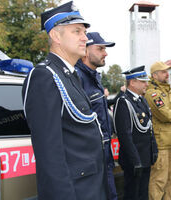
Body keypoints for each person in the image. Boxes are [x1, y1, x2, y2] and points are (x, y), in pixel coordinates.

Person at [22, 2, 107, 199]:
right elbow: (49, 155)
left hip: (89, 186)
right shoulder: (44, 76)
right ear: (55, 36)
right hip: (73, 191)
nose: (84, 37)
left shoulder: (70, 75)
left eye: (84, 32)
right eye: (77, 31)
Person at [75, 32, 117, 200]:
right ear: (85, 51)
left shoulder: (94, 77)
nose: (105, 53)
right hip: (90, 158)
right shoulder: (77, 78)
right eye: (100, 48)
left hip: (103, 155)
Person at [113, 66, 158, 200]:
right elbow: (124, 135)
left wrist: (153, 149)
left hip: (145, 156)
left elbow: (149, 128)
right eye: (143, 81)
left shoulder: (142, 100)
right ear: (132, 82)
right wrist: (135, 161)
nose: (146, 84)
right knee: (132, 193)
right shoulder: (123, 102)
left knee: (143, 192)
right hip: (133, 158)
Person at [145, 61, 171, 200]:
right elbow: (165, 115)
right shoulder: (152, 93)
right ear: (154, 75)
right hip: (161, 143)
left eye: (167, 71)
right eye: (163, 72)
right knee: (159, 179)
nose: (167, 74)